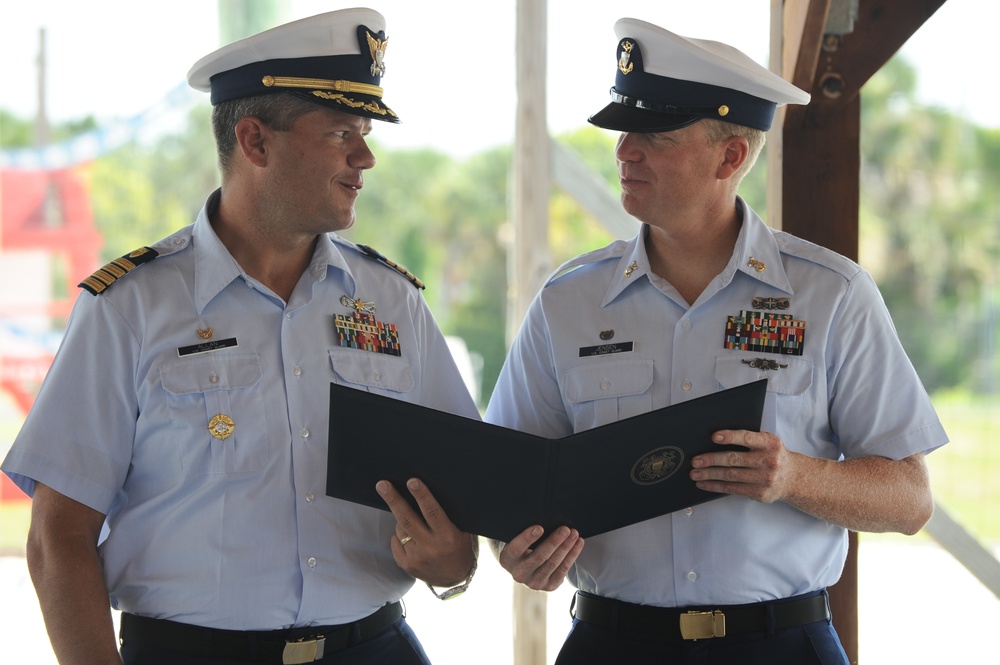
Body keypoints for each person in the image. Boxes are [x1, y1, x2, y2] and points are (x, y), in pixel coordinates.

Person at [1, 8, 480, 665]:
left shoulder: (392, 300)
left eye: (365, 133)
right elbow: (58, 536)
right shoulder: (129, 307)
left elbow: (459, 525)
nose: (365, 157)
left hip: (374, 646)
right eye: (343, 131)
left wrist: (452, 561)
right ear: (255, 142)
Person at [485, 17, 948, 665]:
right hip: (610, 644)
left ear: (730, 156)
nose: (623, 150)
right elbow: (504, 484)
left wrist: (794, 476)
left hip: (782, 646)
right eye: (623, 129)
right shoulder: (567, 301)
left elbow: (909, 498)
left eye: (653, 134)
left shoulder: (831, 294)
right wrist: (518, 548)